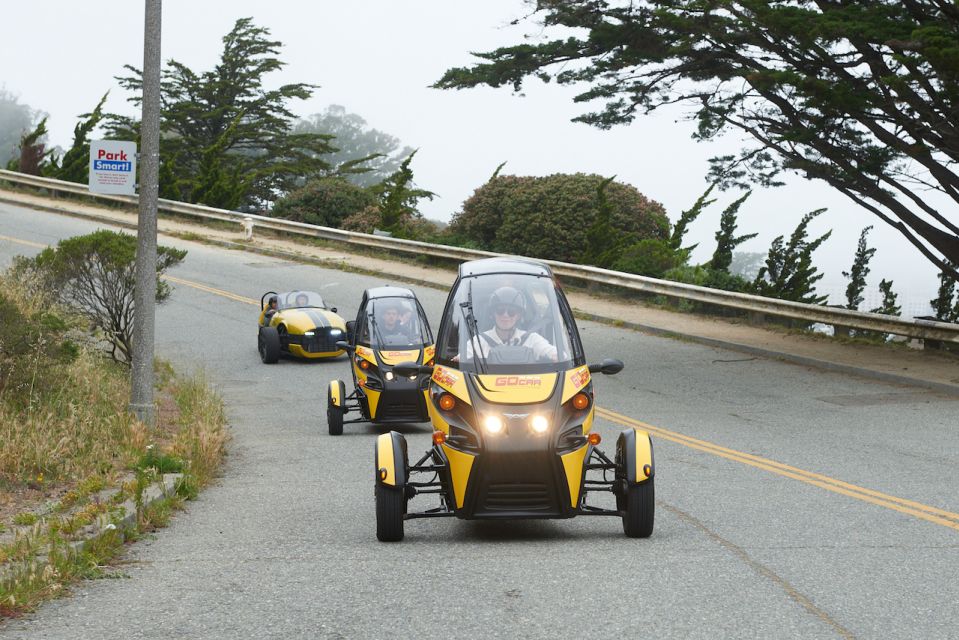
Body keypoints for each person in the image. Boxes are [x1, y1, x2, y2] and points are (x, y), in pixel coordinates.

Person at [461, 286, 557, 362]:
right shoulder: (479, 341)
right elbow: (460, 359)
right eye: (500, 310)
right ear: (492, 314)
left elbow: (558, 354)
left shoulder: (531, 339)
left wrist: (555, 356)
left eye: (511, 311)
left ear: (519, 316)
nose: (505, 315)